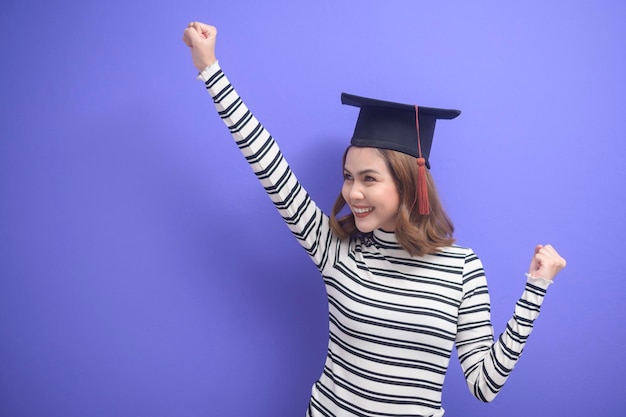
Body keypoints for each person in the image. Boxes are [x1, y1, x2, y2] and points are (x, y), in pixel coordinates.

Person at [182, 21, 566, 417]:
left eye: (369, 179)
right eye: (348, 177)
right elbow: (269, 165)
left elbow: (484, 386)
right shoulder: (334, 247)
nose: (353, 193)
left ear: (408, 183)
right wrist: (211, 70)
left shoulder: (462, 269)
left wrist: (534, 289)